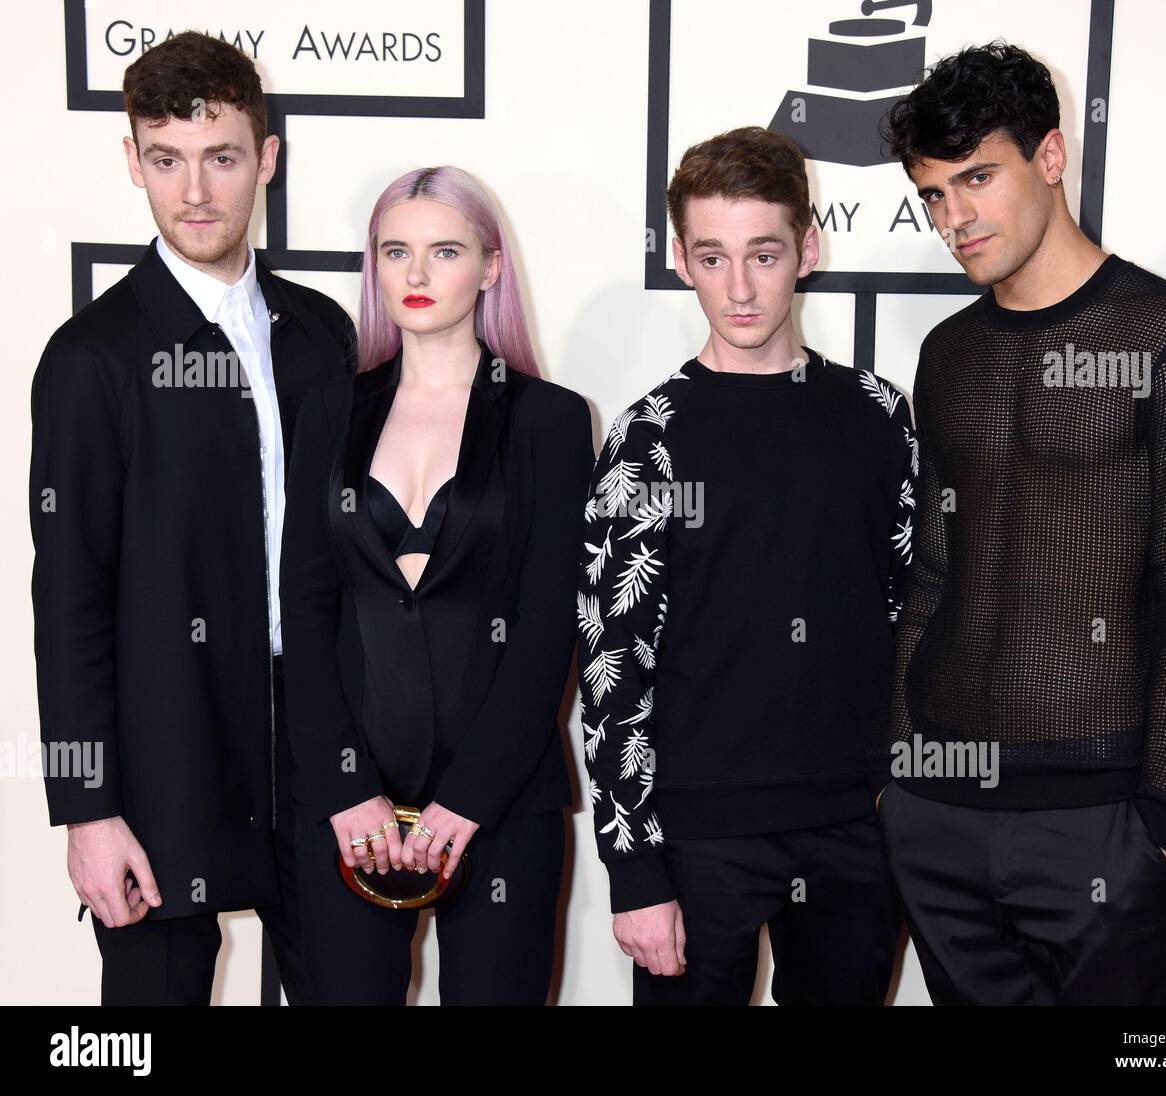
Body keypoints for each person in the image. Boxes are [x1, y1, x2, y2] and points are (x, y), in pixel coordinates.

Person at [874, 41, 1166, 1005]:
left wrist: (1162, 823)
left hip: (1099, 815)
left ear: (1050, 158)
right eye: (932, 194)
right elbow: (932, 574)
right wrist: (899, 777)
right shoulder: (947, 353)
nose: (954, 219)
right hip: (938, 810)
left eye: (977, 179)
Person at [28, 32, 357, 1004]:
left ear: (267, 157)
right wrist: (88, 810)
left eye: (220, 156)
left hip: (318, 759)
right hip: (162, 768)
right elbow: (69, 597)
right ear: (133, 163)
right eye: (165, 160)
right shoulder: (93, 358)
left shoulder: (323, 337)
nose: (196, 191)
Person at [577, 126, 913, 1005]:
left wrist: (901, 803)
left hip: (855, 828)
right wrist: (634, 869)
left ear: (807, 247)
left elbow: (918, 620)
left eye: (763, 254)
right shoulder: (647, 438)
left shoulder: (880, 416)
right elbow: (611, 665)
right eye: (714, 257)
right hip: (696, 837)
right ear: (682, 259)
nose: (739, 287)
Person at [280, 166, 592, 1005]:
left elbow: (545, 630)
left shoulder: (551, 421)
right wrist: (346, 790)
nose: (415, 276)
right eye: (396, 252)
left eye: (444, 251)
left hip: (499, 802)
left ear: (490, 267)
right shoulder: (328, 412)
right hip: (348, 807)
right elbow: (304, 613)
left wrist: (467, 802)